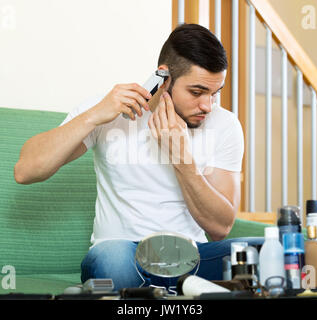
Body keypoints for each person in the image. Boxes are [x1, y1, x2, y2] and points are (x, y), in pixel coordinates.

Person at [14, 23, 263, 291]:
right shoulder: (110, 112)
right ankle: (181, 290)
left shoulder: (225, 125)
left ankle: (165, 290)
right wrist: (95, 115)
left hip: (191, 255)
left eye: (215, 93)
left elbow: (221, 227)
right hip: (123, 254)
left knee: (266, 252)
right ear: (163, 77)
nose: (207, 105)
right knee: (111, 262)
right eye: (197, 92)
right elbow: (26, 170)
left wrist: (181, 159)